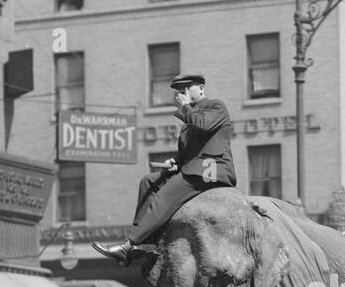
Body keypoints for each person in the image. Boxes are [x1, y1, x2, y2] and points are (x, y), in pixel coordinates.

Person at [90, 73, 236, 266]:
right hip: (193, 168)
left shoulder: (215, 106)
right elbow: (189, 153)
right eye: (179, 91)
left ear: (201, 88)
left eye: (186, 88)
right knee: (148, 181)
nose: (181, 93)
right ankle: (145, 243)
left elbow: (203, 127)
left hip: (210, 170)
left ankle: (128, 245)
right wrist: (175, 161)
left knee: (164, 195)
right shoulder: (189, 119)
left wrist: (184, 107)